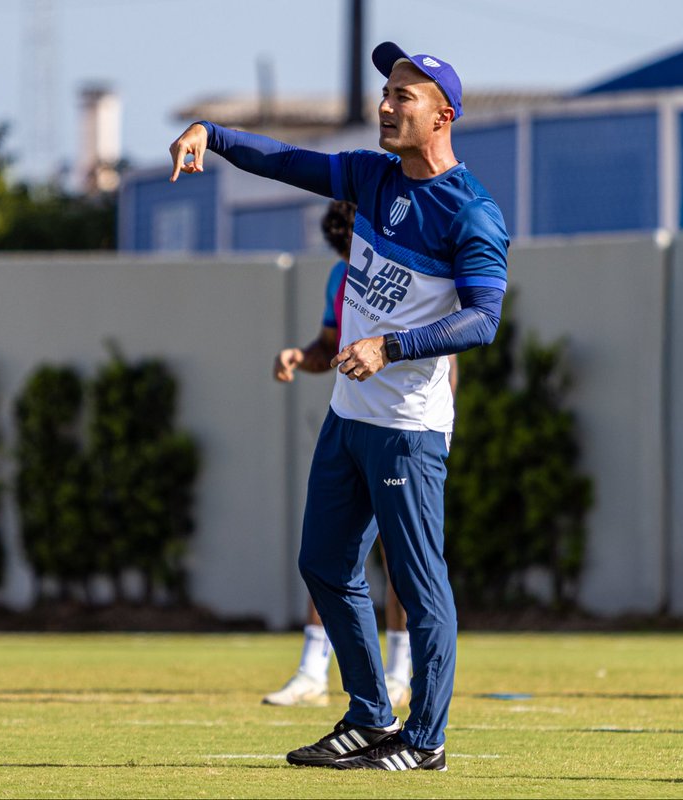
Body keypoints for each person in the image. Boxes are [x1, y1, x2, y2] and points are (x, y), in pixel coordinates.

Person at [169, 41, 507, 772]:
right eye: (385, 92)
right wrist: (214, 135)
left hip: (408, 431)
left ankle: (426, 742)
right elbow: (290, 161)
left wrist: (391, 345)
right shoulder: (369, 176)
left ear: (443, 115)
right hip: (348, 417)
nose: (385, 106)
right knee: (323, 564)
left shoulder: (472, 213)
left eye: (403, 97)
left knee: (418, 588)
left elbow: (483, 320)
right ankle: (367, 716)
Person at [263, 200, 414, 711]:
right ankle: (312, 671)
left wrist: (440, 429)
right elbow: (329, 344)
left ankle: (400, 670)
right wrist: (299, 357)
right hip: (351, 424)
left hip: (403, 431)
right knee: (330, 552)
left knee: (401, 555)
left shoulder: (409, 264)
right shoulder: (338, 277)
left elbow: (444, 351)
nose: (351, 258)